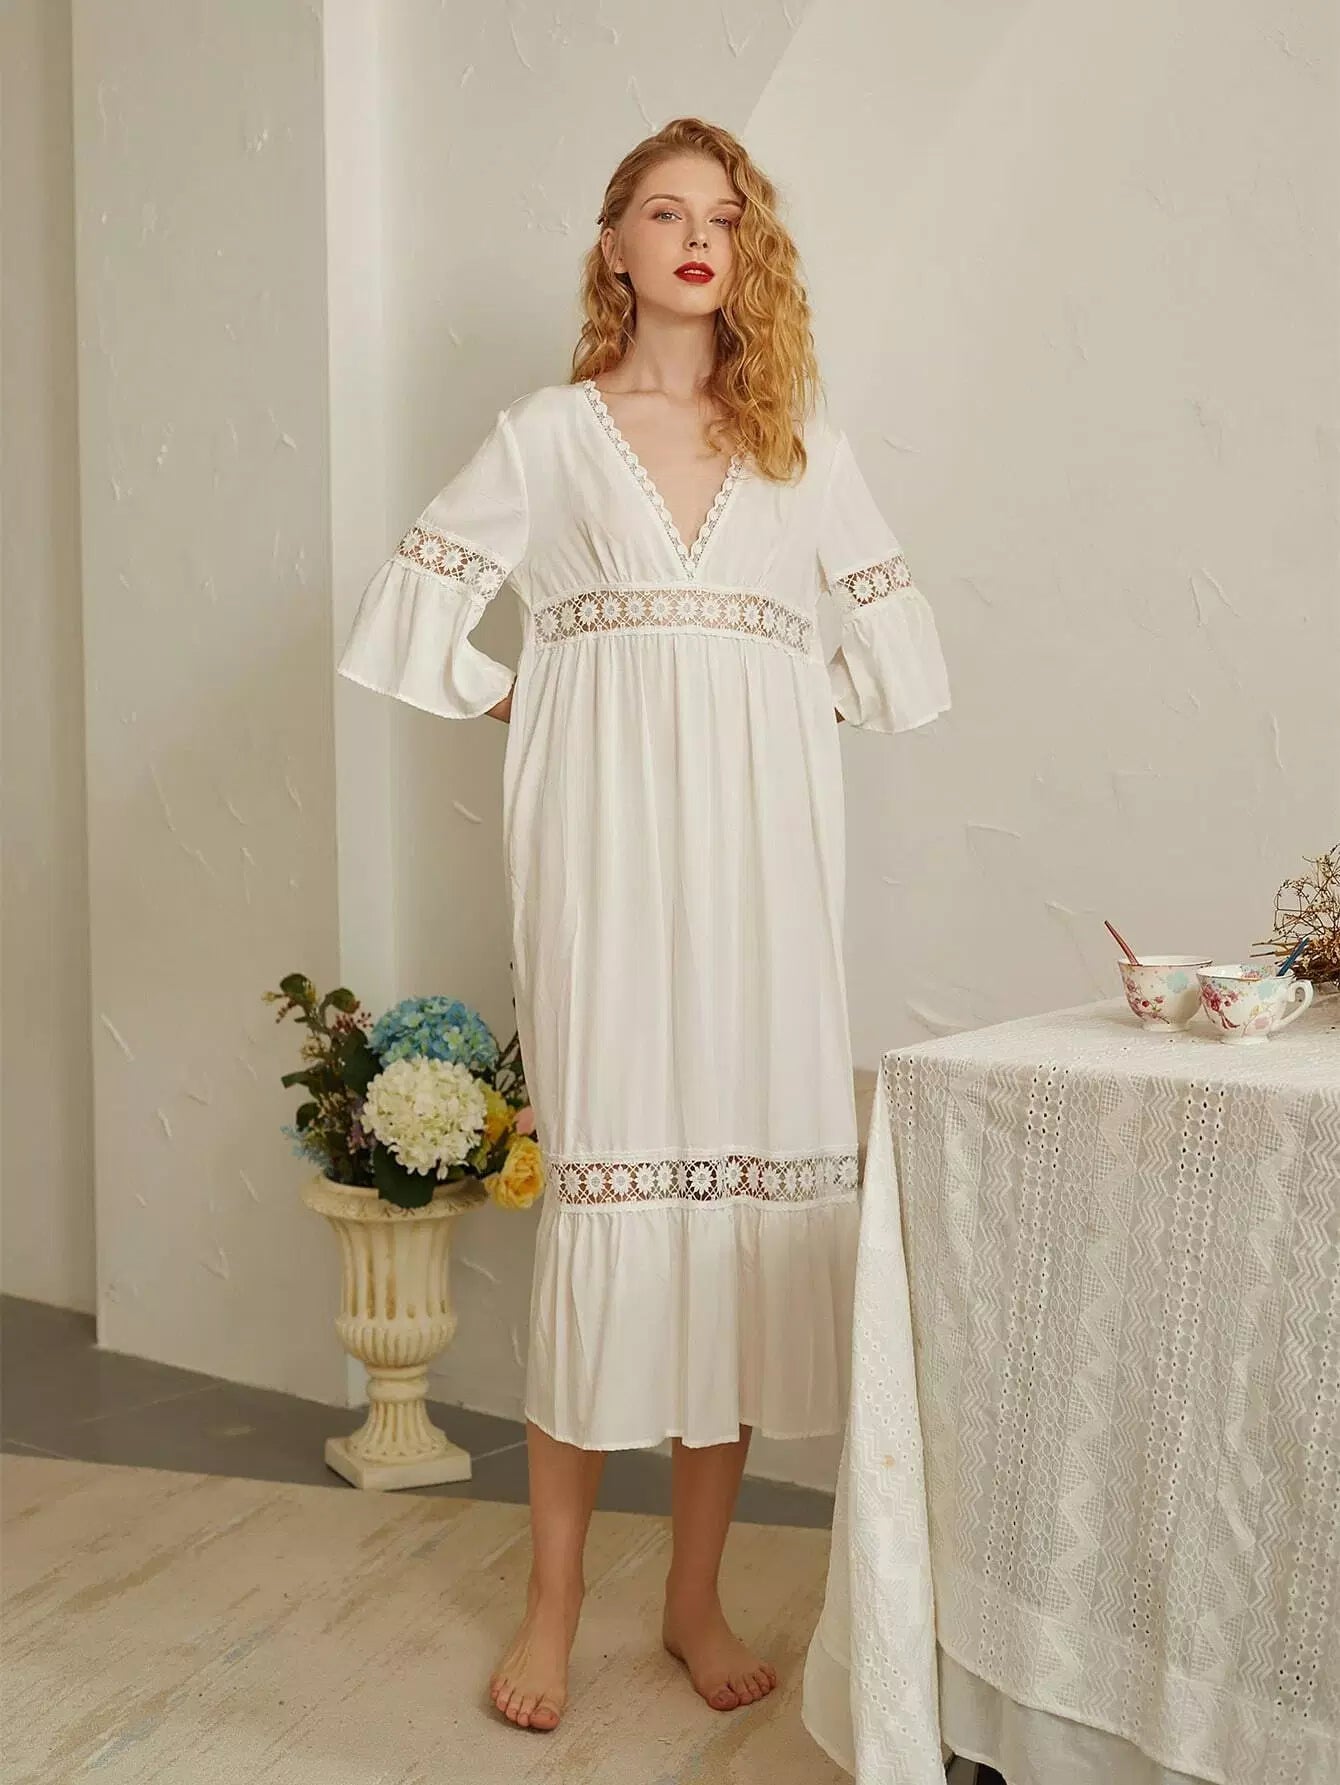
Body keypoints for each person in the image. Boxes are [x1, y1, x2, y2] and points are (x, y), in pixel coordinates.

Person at [336, 116, 951, 1734]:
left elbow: (898, 654)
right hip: (604, 869)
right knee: (611, 1209)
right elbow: (410, 611)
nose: (696, 238)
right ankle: (550, 1605)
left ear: (747, 251)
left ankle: (692, 1594)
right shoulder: (547, 437)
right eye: (664, 213)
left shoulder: (799, 447)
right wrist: (534, 699)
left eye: (723, 218)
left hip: (761, 884)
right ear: (613, 245)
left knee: (732, 1229)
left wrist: (773, 716)